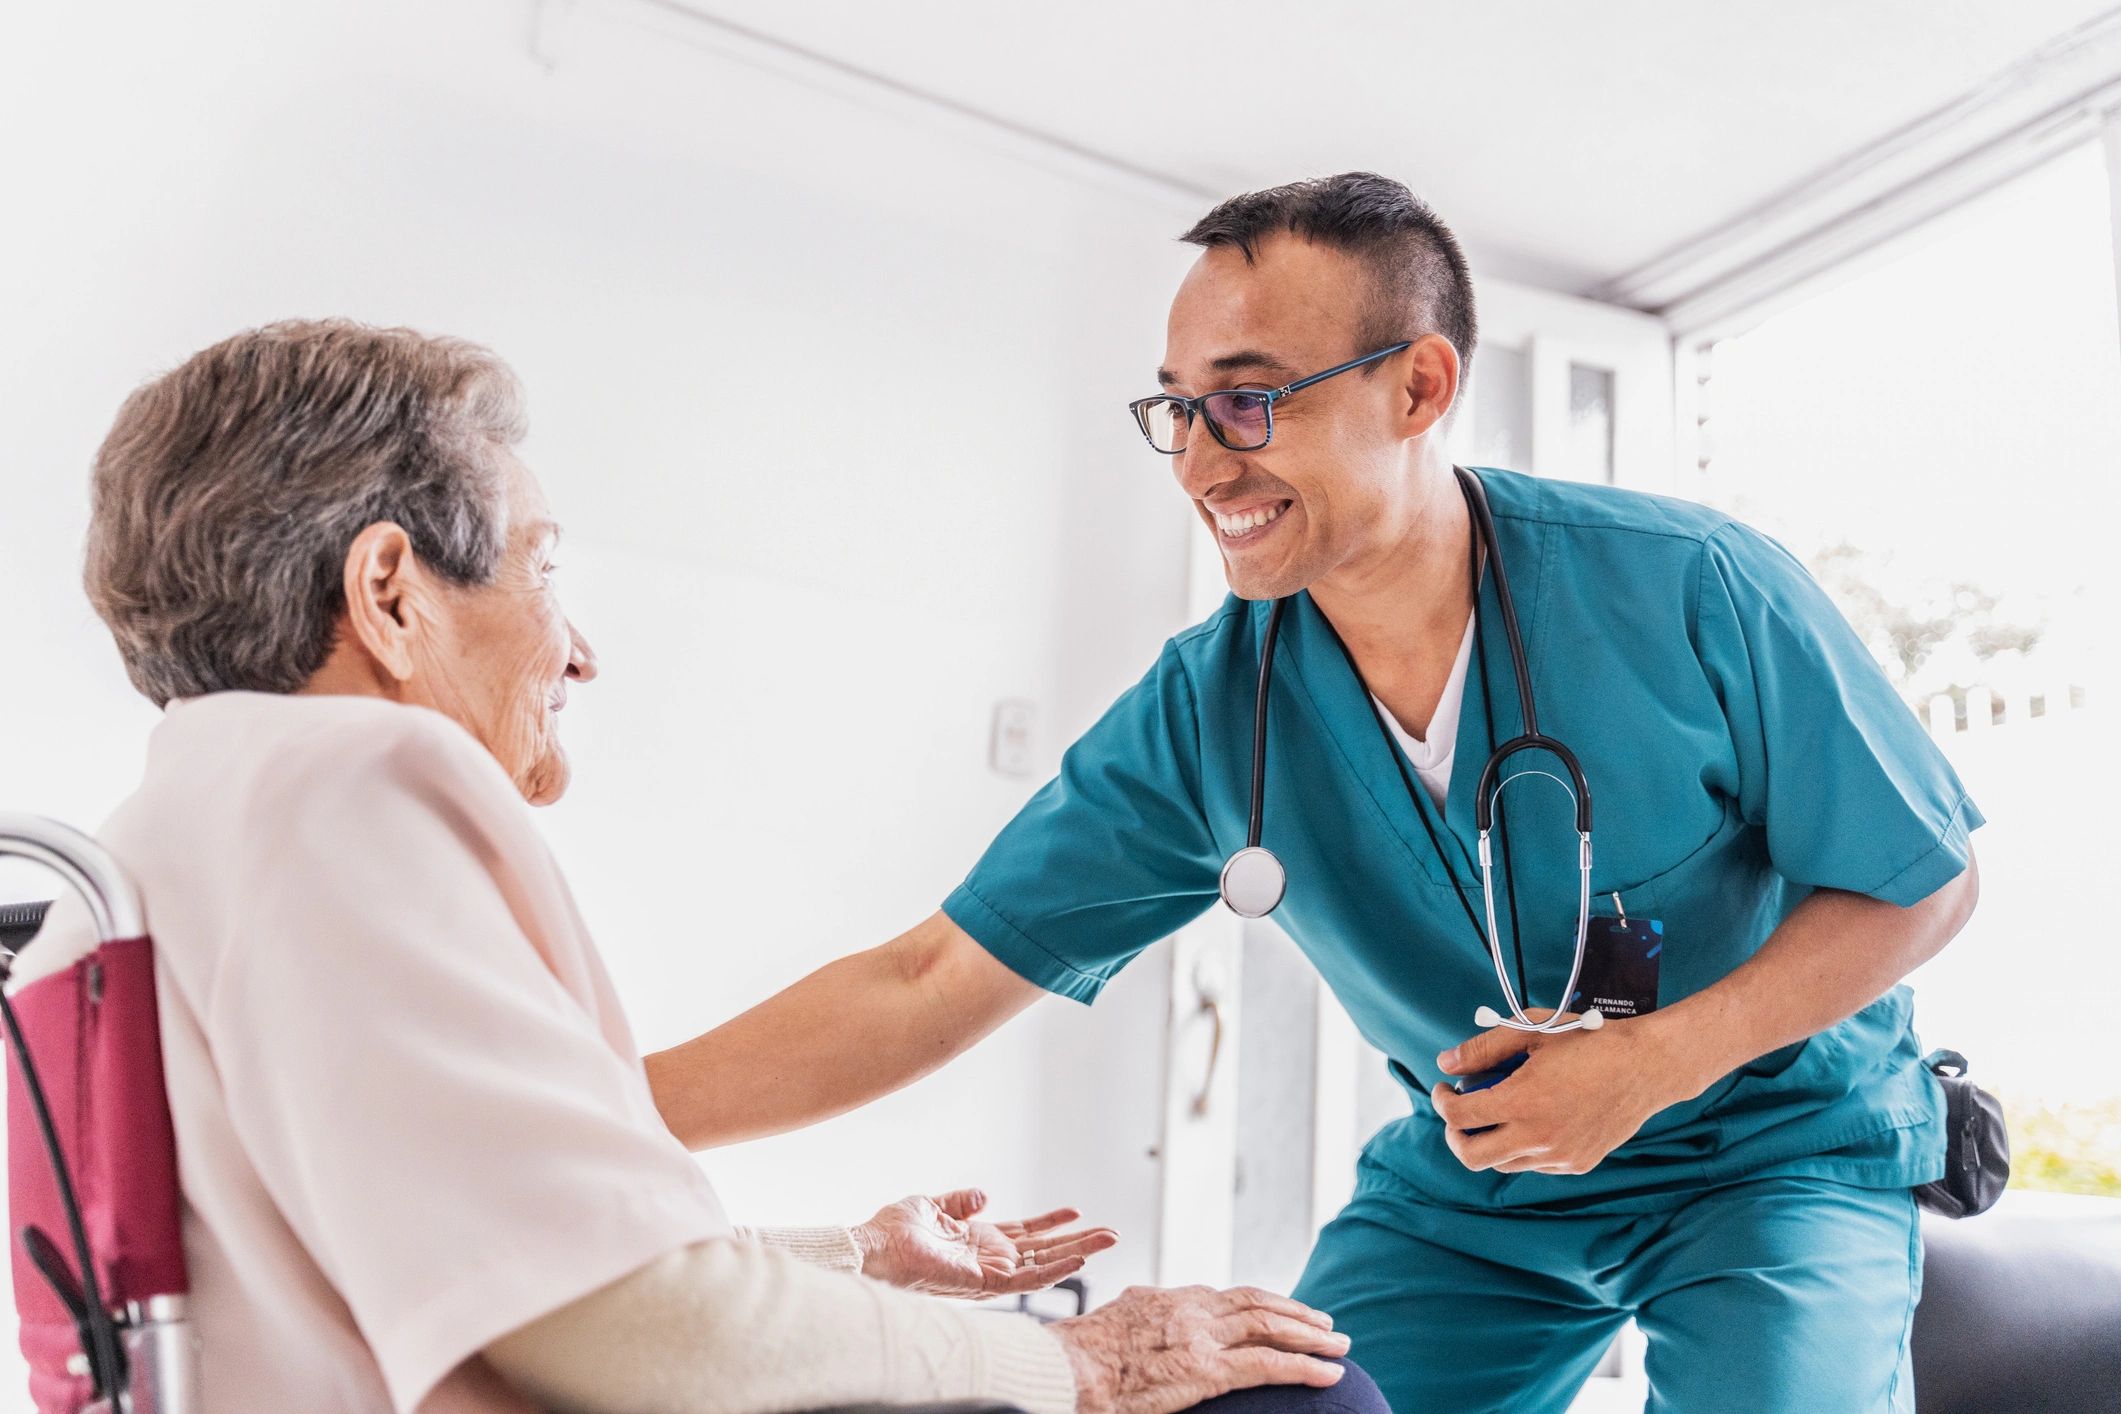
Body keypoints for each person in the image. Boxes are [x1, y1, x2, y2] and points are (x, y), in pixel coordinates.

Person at [646, 173, 1984, 1414]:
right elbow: (925, 974)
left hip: (1772, 1144)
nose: (1200, 461)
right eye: (1176, 408)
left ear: (1415, 385)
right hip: (1478, 1180)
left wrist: (1657, 1060)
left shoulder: (1690, 586)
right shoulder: (1211, 709)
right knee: (1287, 1406)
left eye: (1246, 398)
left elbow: (1923, 879)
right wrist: (568, 1110)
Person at [24, 319, 1371, 1414]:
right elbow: (619, 1326)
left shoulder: (163, 836)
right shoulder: (348, 783)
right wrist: (1068, 1361)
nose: (580, 652)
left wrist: (858, 1259)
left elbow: (488, 1266)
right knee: (1304, 1398)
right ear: (390, 592)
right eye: (544, 570)